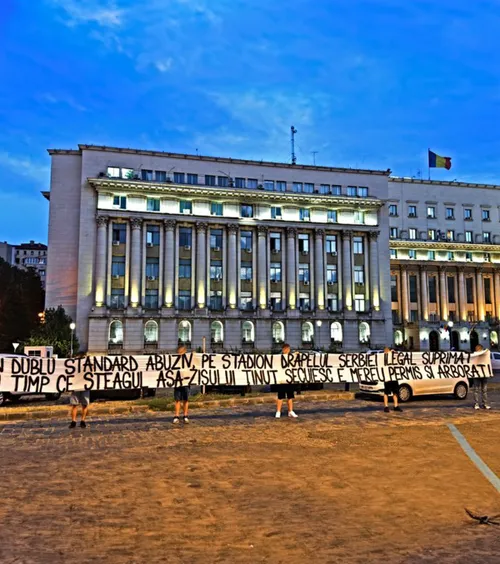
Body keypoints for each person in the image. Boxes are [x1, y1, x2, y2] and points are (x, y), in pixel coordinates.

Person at [274, 343, 298, 419]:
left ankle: (290, 411)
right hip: (281, 379)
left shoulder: (291, 357)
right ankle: (278, 411)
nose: (286, 350)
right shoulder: (279, 357)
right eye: (285, 349)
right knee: (280, 396)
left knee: (290, 396)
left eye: (288, 349)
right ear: (283, 349)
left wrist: (296, 355)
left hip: (289, 379)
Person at [173, 345, 190, 424]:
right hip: (177, 382)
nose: (180, 354)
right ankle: (176, 416)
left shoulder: (188, 359)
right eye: (179, 353)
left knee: (185, 399)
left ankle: (185, 415)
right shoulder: (174, 360)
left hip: (186, 382)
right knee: (177, 399)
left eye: (181, 352)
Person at [383, 346, 402, 413]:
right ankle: (386, 406)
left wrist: (394, 353)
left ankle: (396, 406)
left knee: (395, 392)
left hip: (394, 377)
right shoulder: (383, 358)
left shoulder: (394, 357)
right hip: (387, 378)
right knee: (386, 392)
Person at [473, 345, 491, 410]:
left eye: (478, 349)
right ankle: (476, 404)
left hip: (484, 375)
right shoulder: (473, 356)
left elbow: (488, 364)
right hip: (476, 375)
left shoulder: (485, 356)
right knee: (476, 390)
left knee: (484, 390)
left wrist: (490, 373)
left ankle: (485, 404)